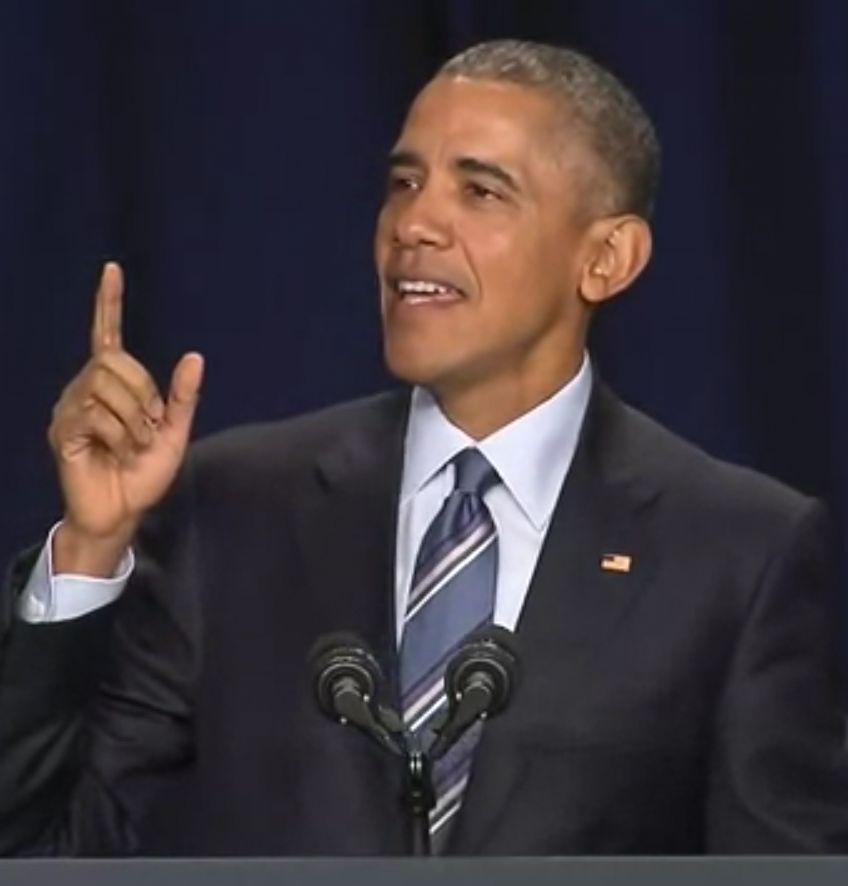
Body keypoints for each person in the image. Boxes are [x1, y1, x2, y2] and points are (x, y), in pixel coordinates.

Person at [1, 39, 847, 856]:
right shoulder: (229, 508)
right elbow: (49, 848)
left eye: (480, 191)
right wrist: (89, 553)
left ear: (606, 258)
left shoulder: (741, 556)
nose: (414, 223)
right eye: (404, 183)